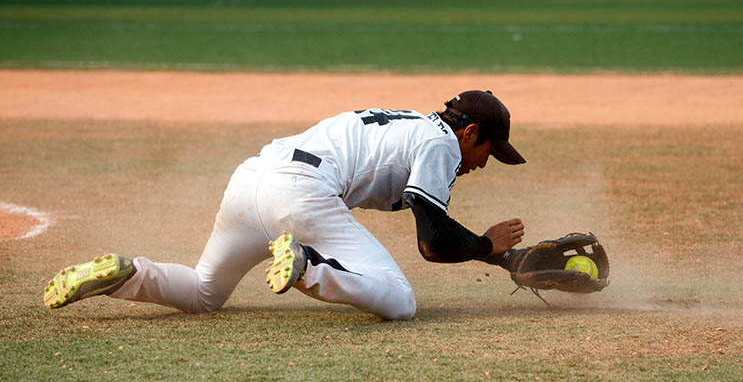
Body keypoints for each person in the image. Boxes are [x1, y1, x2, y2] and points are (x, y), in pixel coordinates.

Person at [43, 90, 526, 320]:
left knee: (204, 294)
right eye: (489, 151)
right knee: (400, 301)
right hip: (300, 193)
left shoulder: (413, 126)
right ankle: (308, 267)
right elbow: (432, 244)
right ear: (469, 133)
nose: (485, 163)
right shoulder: (441, 144)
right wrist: (490, 246)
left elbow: (435, 230)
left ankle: (128, 275)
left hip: (252, 178)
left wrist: (498, 256)